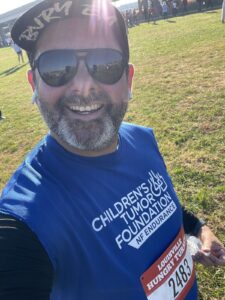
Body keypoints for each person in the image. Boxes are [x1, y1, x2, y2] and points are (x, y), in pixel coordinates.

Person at [0, 0, 224, 299]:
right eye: (56, 67)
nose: (82, 85)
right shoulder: (24, 219)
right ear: (34, 85)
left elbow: (163, 204)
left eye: (105, 64)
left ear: (128, 80)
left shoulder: (142, 139)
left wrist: (199, 228)